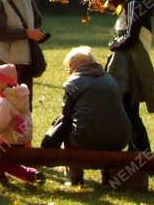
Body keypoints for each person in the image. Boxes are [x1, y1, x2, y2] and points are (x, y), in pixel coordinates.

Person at [51, 46, 131, 186]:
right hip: (120, 138)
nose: (68, 71)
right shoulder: (110, 79)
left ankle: (75, 178)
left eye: (69, 67)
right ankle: (108, 177)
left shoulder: (73, 82)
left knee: (67, 130)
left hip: (86, 139)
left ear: (73, 66)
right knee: (103, 127)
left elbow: (66, 114)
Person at [99, 0, 154, 152]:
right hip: (127, 63)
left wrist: (114, 45)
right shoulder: (131, 5)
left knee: (129, 111)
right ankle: (135, 151)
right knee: (128, 110)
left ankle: (142, 152)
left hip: (131, 65)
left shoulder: (133, 5)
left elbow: (131, 37)